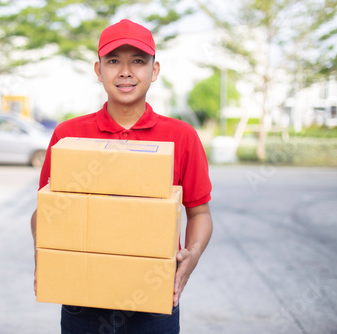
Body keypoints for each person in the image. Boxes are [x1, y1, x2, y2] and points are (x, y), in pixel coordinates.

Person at [31, 19, 213, 334]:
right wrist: (46, 254)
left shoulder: (181, 137)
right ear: (98, 70)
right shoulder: (69, 135)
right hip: (82, 300)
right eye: (113, 61)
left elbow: (200, 213)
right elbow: (46, 212)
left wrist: (191, 257)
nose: (125, 72)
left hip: (153, 301)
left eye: (138, 62)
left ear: (154, 71)